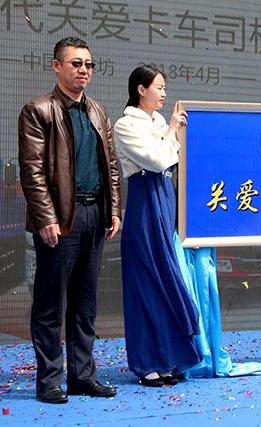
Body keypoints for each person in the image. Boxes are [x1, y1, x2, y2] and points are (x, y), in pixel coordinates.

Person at [18, 37, 121, 404]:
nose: (84, 70)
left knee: (85, 302)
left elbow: (111, 166)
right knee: (50, 304)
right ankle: (49, 380)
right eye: (76, 63)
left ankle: (82, 376)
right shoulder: (38, 110)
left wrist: (114, 210)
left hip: (95, 214)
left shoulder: (98, 111)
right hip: (59, 219)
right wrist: (45, 217)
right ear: (56, 66)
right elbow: (32, 172)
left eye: (88, 64)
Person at [114, 65, 201, 387]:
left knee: (167, 279)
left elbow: (173, 160)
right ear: (141, 89)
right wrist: (171, 133)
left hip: (165, 198)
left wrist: (170, 132)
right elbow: (157, 160)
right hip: (144, 201)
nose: (164, 93)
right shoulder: (125, 124)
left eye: (165, 88)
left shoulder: (160, 123)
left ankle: (167, 359)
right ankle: (146, 362)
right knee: (146, 284)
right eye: (159, 87)